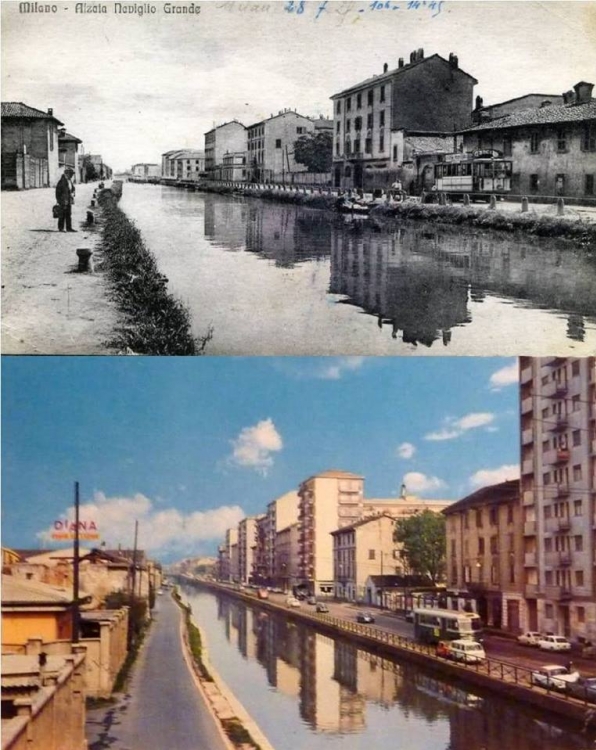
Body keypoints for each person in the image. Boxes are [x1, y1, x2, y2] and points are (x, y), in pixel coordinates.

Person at [55, 167, 77, 232]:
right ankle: (61, 228)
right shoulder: (61, 181)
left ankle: (69, 228)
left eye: (72, 174)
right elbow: (57, 192)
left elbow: (72, 188)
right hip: (63, 200)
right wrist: (59, 200)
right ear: (66, 174)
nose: (72, 175)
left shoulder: (69, 181)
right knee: (62, 214)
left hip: (69, 200)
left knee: (68, 214)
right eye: (71, 174)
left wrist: (73, 192)